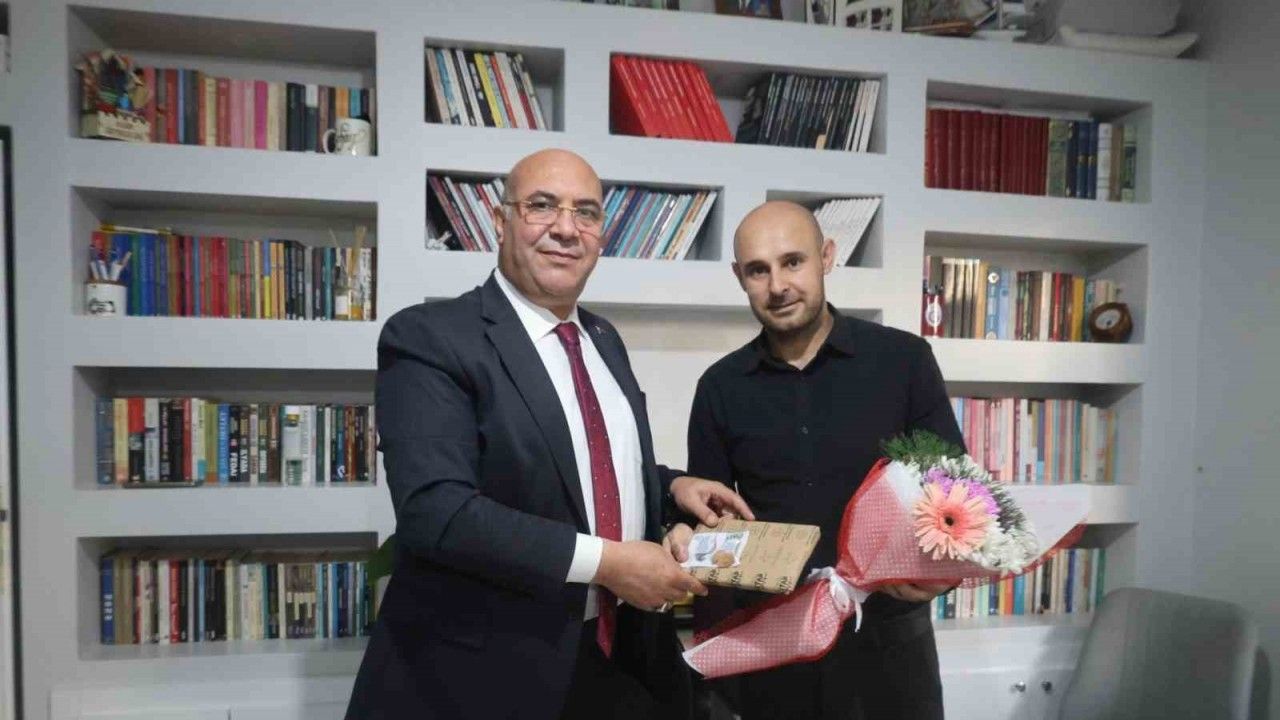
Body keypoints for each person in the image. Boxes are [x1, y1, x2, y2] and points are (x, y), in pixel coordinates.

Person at [345, 149, 752, 720]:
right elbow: (437, 511)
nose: (565, 228)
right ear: (500, 220)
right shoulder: (430, 337)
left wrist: (671, 486)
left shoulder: (603, 339)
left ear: (601, 235)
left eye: (585, 212)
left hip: (616, 662)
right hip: (483, 678)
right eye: (541, 205)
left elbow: (583, 469)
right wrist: (609, 563)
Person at [670, 201, 965, 720]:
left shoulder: (904, 360)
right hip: (774, 648)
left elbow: (956, 493)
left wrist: (948, 569)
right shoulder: (719, 387)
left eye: (793, 262)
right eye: (758, 270)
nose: (778, 285)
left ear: (826, 257)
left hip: (891, 645)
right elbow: (712, 525)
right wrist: (714, 669)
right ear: (739, 277)